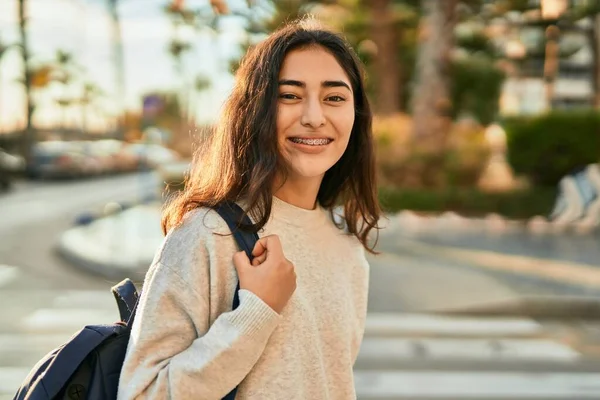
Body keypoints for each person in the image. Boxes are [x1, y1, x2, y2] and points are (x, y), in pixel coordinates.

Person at [117, 16, 381, 400]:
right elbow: (141, 393)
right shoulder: (208, 234)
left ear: (355, 117)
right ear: (255, 110)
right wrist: (255, 313)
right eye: (289, 95)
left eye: (335, 97)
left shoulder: (348, 247)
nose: (313, 116)